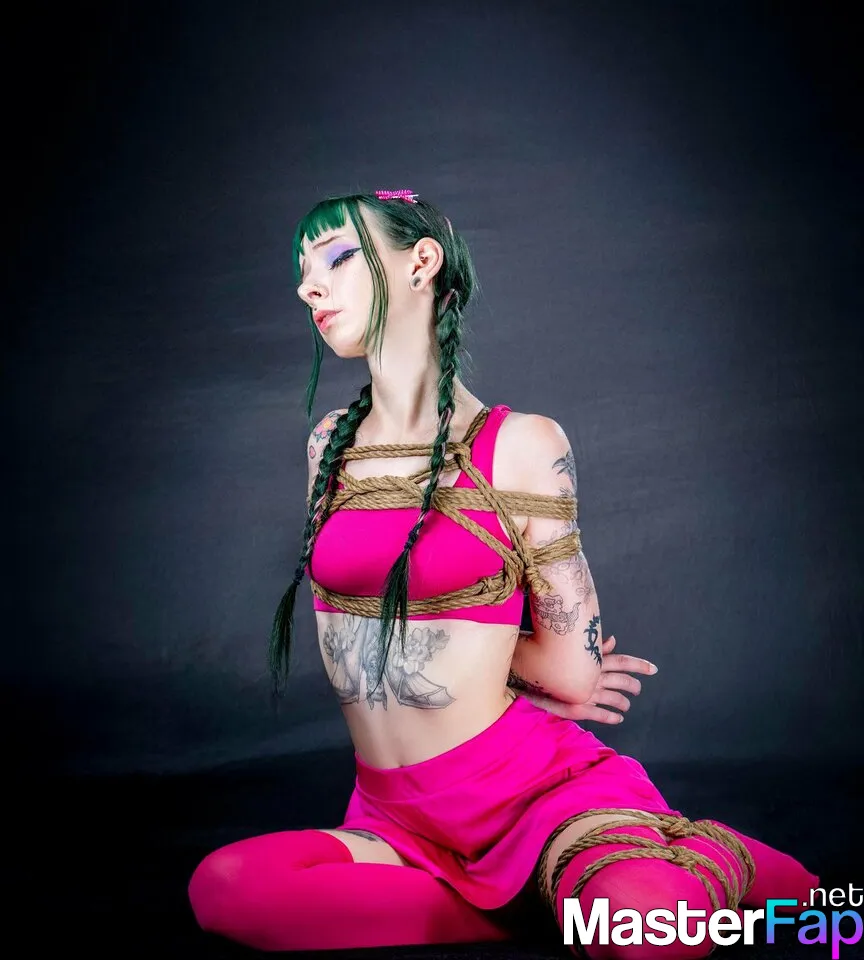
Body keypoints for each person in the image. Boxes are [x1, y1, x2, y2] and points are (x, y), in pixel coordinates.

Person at [188, 190, 818, 957]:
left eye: (338, 258)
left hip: (527, 800)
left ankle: (714, 852)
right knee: (228, 889)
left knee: (647, 935)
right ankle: (531, 905)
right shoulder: (331, 443)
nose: (307, 288)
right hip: (395, 816)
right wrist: (489, 659)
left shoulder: (520, 445)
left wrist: (498, 664)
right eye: (301, 271)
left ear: (421, 262)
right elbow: (350, 620)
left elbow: (571, 672)